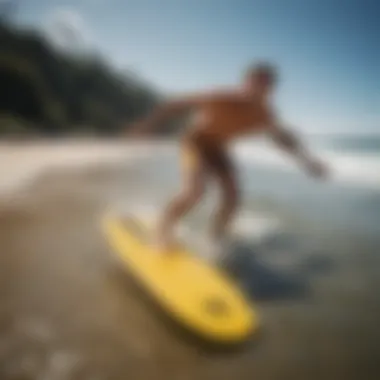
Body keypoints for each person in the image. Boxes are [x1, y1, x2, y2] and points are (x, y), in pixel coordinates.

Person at [129, 62, 328, 255]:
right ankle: (162, 229)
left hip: (218, 149)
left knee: (233, 198)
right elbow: (176, 105)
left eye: (265, 84)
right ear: (245, 82)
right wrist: (148, 125)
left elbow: (284, 139)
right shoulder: (222, 97)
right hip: (195, 143)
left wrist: (307, 161)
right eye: (254, 82)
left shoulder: (265, 114)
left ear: (271, 89)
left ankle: (215, 238)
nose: (258, 89)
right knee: (195, 191)